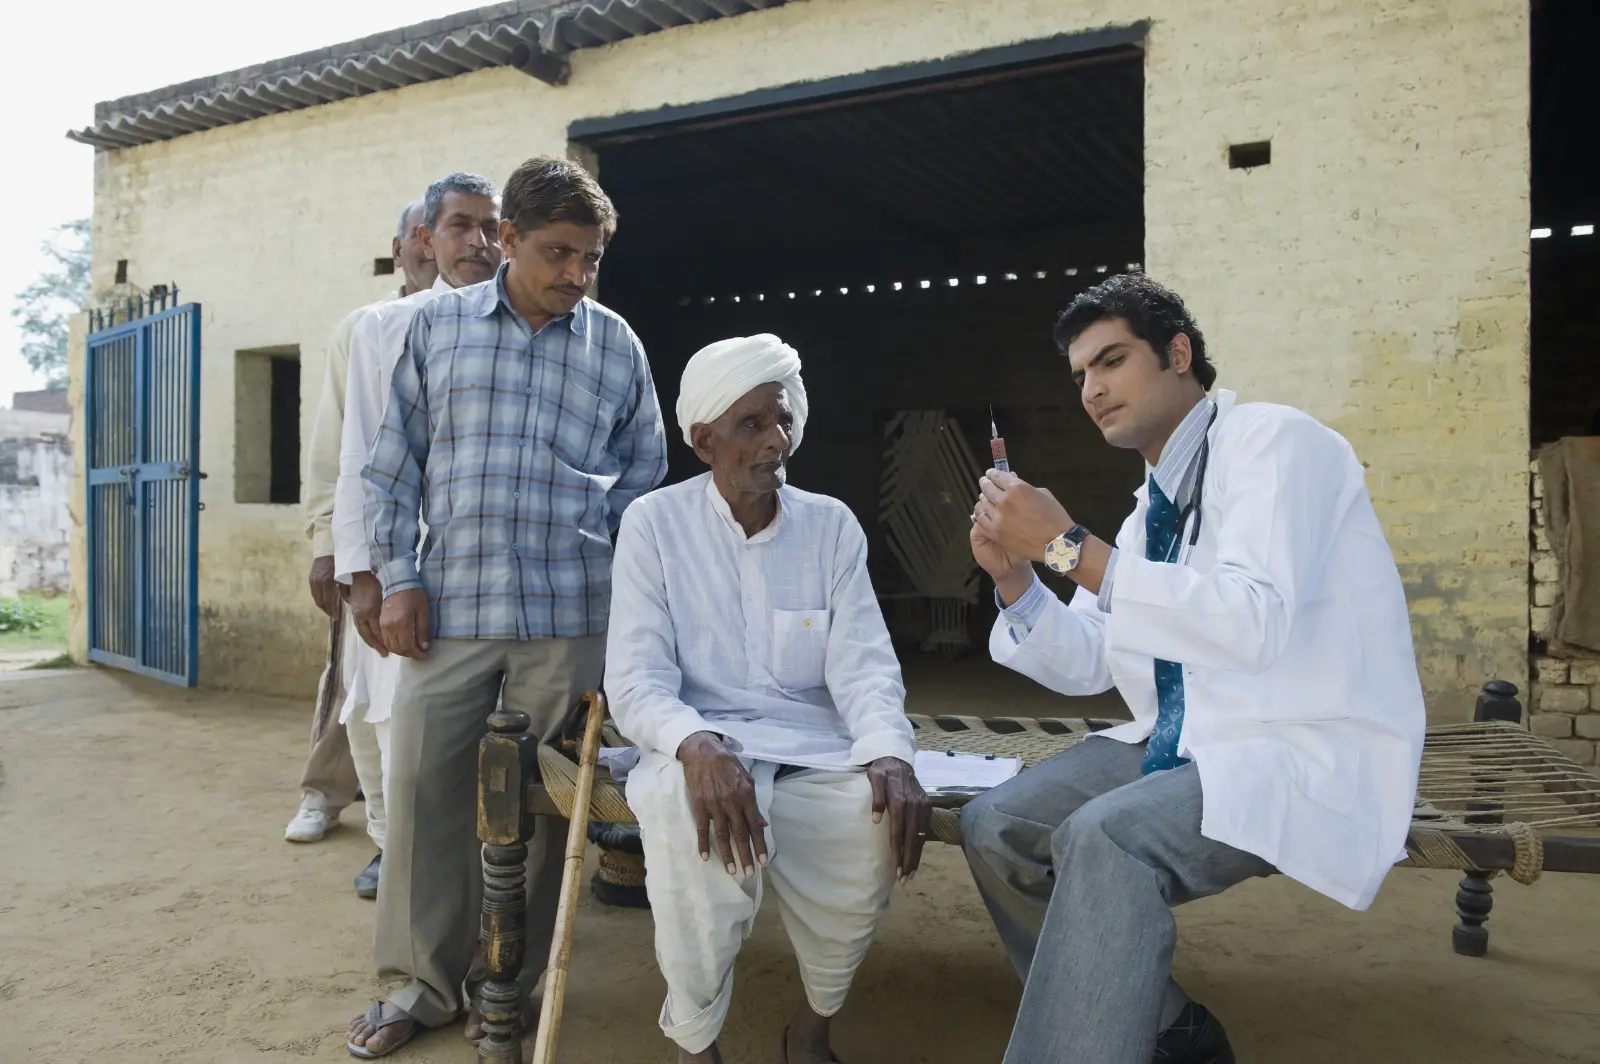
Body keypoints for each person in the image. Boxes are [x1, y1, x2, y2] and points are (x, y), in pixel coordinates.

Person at [960, 273, 1425, 1064]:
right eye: (1081, 376)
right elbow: (1094, 656)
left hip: (1295, 744)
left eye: (1111, 361)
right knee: (997, 824)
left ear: (1179, 353)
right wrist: (1017, 577)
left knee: (1107, 839)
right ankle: (1171, 1031)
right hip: (1186, 739)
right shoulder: (1149, 511)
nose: (1093, 389)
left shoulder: (1277, 444)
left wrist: (1069, 545)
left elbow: (1253, 621)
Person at [346, 157, 667, 1059]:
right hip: (450, 610)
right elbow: (392, 466)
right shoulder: (437, 330)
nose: (576, 273)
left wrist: (622, 601)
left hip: (569, 618)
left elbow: (644, 483)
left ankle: (506, 979)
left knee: (536, 802)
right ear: (509, 241)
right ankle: (422, 982)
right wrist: (397, 579)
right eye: (558, 253)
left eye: (591, 259)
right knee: (421, 791)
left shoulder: (617, 345)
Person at [606, 335, 931, 1064]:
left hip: (809, 742)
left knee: (867, 822)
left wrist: (887, 749)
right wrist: (694, 746)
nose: (775, 441)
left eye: (781, 421)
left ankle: (811, 1027)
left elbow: (866, 667)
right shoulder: (654, 525)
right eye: (750, 425)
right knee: (689, 827)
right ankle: (696, 1041)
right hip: (691, 740)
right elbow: (635, 678)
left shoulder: (830, 526)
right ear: (702, 440)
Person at [330, 173, 504, 902]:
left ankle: (480, 895)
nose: (479, 242)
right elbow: (359, 456)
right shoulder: (381, 329)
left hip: (486, 578)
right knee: (392, 726)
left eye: (491, 228)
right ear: (426, 241)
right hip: (402, 568)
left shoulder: (528, 327)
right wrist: (362, 574)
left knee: (484, 746)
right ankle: (404, 873)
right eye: (461, 226)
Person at [287, 201, 435, 902]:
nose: (441, 249)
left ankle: (408, 843)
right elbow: (335, 448)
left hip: (433, 556)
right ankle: (326, 795)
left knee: (410, 705)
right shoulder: (364, 329)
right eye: (428, 236)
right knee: (352, 688)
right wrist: (327, 543)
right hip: (366, 552)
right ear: (403, 246)